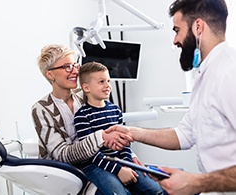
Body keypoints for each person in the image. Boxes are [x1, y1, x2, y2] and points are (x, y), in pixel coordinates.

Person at [107, 0, 236, 195]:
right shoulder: (206, 75)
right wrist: (132, 132)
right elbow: (184, 135)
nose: (175, 40)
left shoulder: (229, 73)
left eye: (177, 30)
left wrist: (199, 183)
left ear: (198, 27)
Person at [31, 44, 134, 194]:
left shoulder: (85, 94)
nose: (75, 71)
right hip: (68, 176)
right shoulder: (41, 109)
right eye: (67, 67)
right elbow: (63, 155)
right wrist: (102, 137)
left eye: (75, 65)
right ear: (50, 74)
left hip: (102, 163)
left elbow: (110, 123)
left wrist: (130, 158)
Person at [74, 61, 165, 195]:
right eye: (101, 82)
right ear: (86, 88)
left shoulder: (115, 110)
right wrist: (118, 170)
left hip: (120, 160)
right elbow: (91, 154)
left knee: (155, 190)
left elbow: (125, 143)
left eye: (108, 81)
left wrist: (127, 164)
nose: (108, 86)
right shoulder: (82, 116)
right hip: (95, 165)